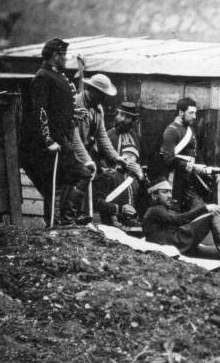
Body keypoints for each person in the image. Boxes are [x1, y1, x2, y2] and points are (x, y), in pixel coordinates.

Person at [19, 37, 93, 226]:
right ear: (55, 56)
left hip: (62, 140)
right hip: (51, 144)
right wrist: (48, 140)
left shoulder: (57, 76)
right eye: (63, 55)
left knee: (73, 177)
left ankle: (63, 220)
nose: (66, 59)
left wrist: (73, 112)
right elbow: (41, 111)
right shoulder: (43, 77)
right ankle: (59, 222)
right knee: (58, 183)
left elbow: (56, 107)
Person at [68, 74, 135, 222]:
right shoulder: (76, 104)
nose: (104, 98)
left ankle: (82, 215)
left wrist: (116, 157)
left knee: (94, 179)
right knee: (83, 175)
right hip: (70, 149)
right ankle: (70, 216)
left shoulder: (98, 109)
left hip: (84, 150)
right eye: (102, 94)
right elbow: (74, 137)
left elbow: (102, 136)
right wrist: (87, 160)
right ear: (92, 90)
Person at [142, 177, 220, 258]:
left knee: (216, 253)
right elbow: (178, 220)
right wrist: (205, 208)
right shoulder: (155, 210)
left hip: (180, 245)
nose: (170, 195)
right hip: (177, 244)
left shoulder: (160, 210)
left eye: (170, 192)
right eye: (165, 192)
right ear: (154, 195)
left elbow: (178, 219)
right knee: (214, 214)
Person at [158, 97, 209, 212]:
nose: (194, 117)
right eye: (191, 113)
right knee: (174, 210)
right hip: (175, 178)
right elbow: (168, 159)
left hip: (189, 178)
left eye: (195, 113)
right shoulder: (171, 131)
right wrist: (193, 166)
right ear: (181, 112)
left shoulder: (190, 129)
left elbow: (195, 153)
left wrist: (203, 166)